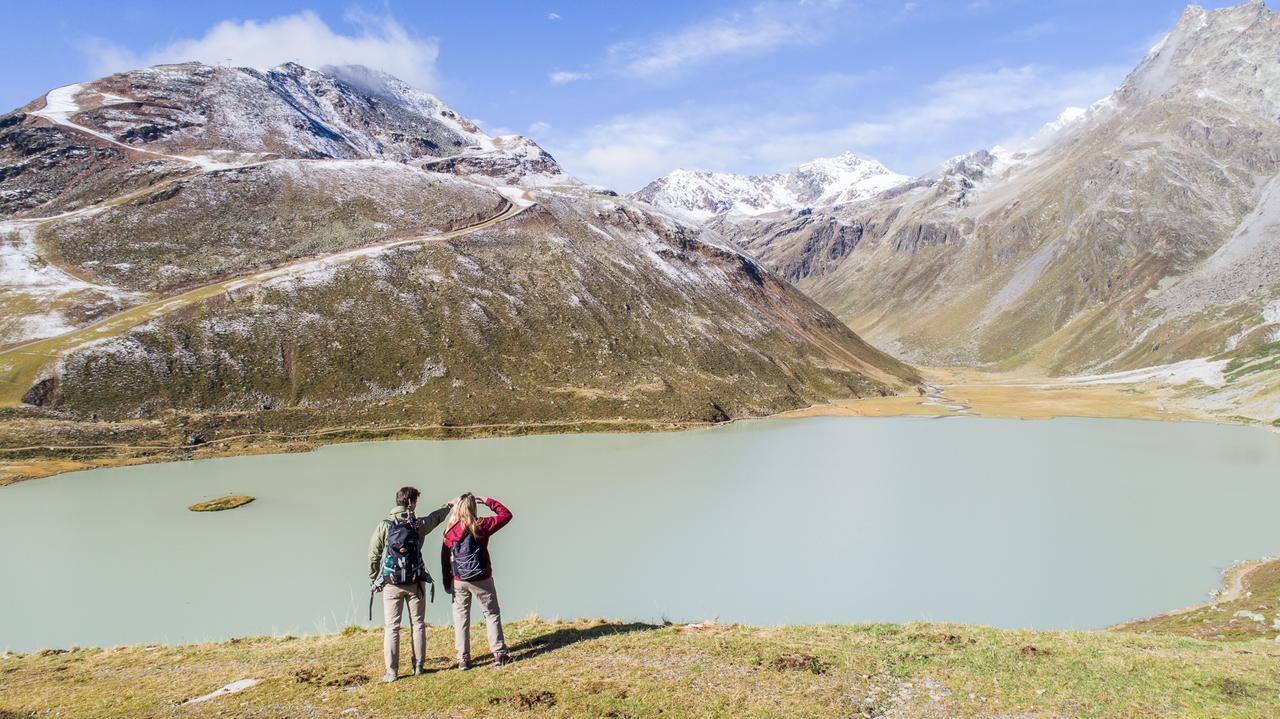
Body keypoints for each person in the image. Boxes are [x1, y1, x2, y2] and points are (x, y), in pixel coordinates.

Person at [368, 486, 450, 682]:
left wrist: (374, 579)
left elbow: (373, 554)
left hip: (391, 584)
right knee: (418, 624)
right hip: (415, 582)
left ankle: (392, 671)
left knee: (392, 627)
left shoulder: (384, 525)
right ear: (411, 503)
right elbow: (435, 519)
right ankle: (419, 666)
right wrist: (448, 506)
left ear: (398, 502)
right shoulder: (418, 524)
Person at [441, 493, 513, 669]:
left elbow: (444, 558)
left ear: (458, 508)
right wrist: (488, 500)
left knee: (461, 619)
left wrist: (446, 581)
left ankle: (463, 659)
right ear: (474, 507)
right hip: (482, 578)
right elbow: (506, 515)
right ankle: (498, 653)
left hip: (459, 580)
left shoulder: (450, 530)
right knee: (491, 614)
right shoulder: (482, 525)